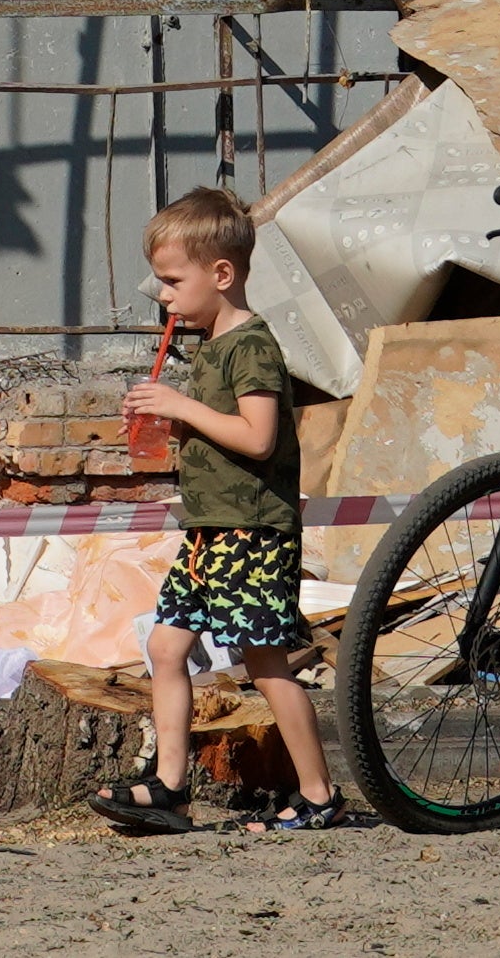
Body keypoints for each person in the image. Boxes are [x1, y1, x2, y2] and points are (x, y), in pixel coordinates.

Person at [92, 187, 353, 835]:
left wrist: (181, 409)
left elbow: (258, 437)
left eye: (172, 280)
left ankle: (319, 794)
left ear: (222, 275)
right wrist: (172, 426)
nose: (164, 295)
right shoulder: (209, 348)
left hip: (252, 532)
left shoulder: (252, 347)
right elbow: (224, 435)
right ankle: (171, 787)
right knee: (165, 645)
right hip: (210, 533)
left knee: (265, 663)